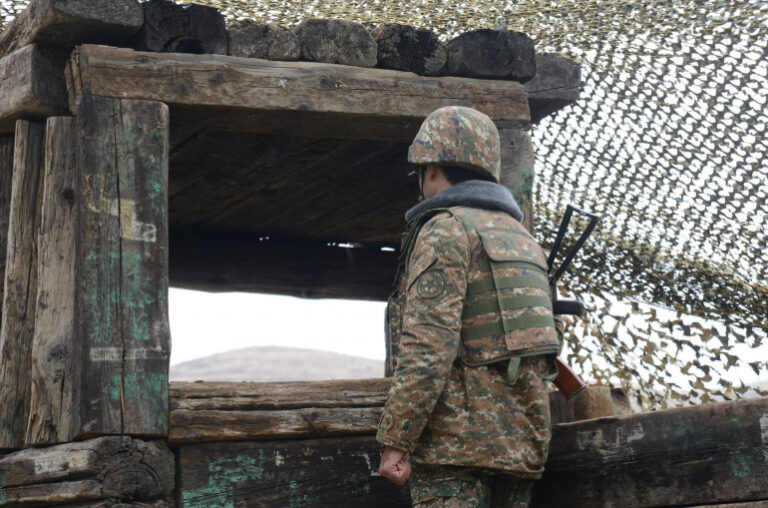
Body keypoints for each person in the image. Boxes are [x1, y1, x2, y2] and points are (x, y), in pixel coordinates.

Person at [376, 106, 561, 507]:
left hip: (454, 452)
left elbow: (428, 348)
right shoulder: (525, 241)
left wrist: (397, 439)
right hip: (522, 449)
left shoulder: (446, 229)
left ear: (431, 169)